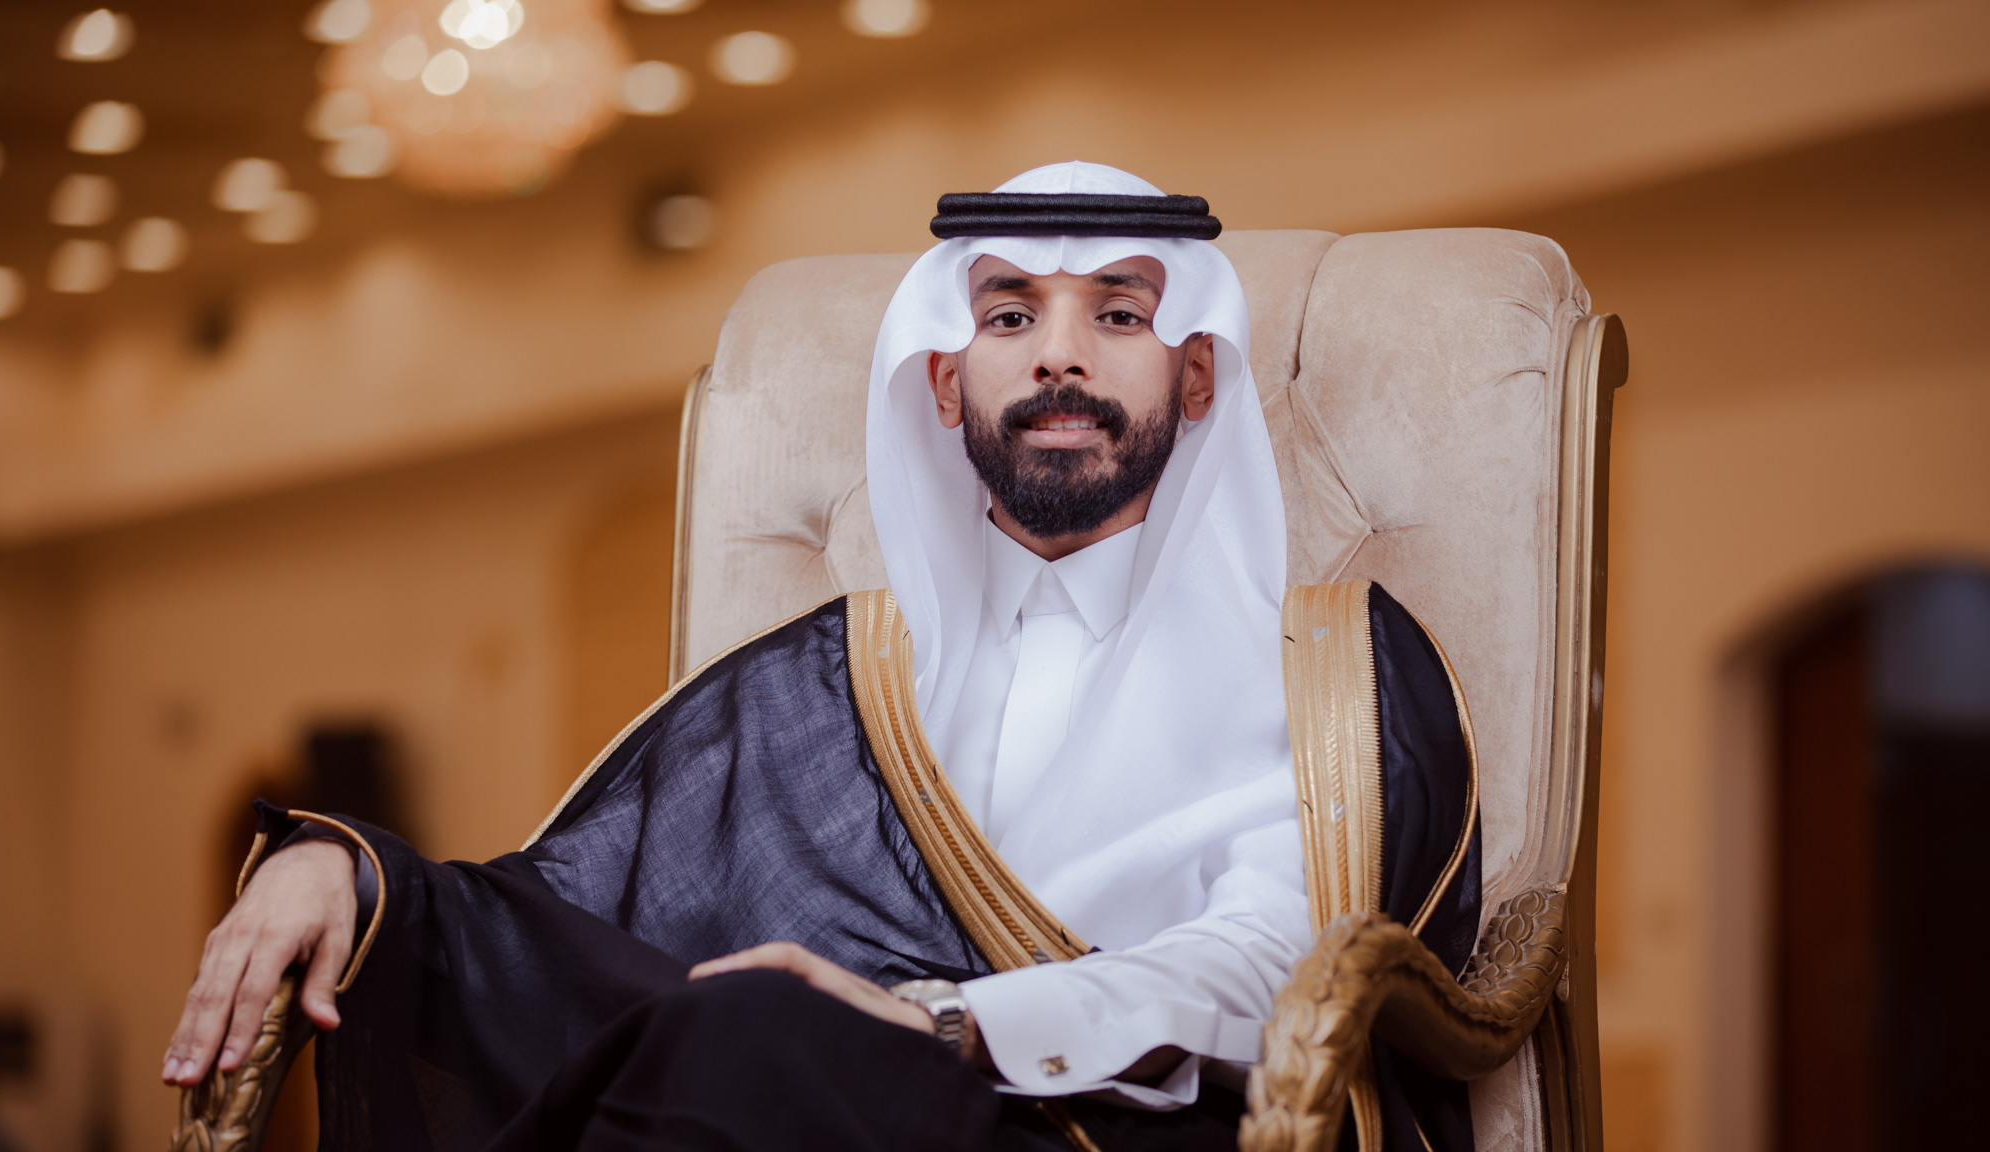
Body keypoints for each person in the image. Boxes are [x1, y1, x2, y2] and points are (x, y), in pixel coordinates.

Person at [161, 162, 1482, 1152]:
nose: (1060, 356)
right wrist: (346, 870)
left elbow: (1278, 965)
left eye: (1119, 315)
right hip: (798, 1116)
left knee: (749, 1042)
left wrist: (941, 1021)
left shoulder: (1321, 668)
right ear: (942, 382)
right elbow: (563, 932)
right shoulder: (830, 684)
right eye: (1008, 318)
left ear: (1196, 378)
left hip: (1119, 1132)